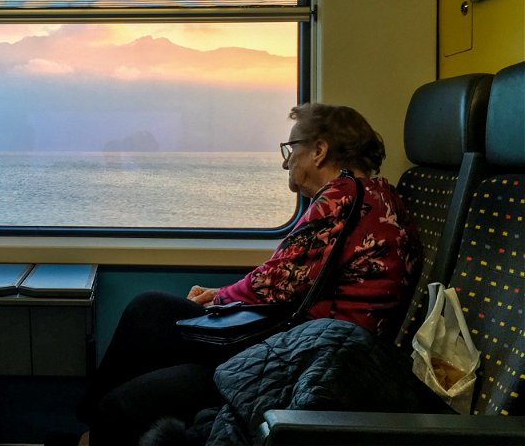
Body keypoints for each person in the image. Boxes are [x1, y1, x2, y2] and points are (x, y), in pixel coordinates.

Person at [55, 103, 422, 446]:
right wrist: (222, 295)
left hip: (306, 357)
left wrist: (219, 297)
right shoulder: (378, 195)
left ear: (320, 150)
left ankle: (93, 429)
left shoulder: (343, 197)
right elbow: (290, 278)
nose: (286, 162)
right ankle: (92, 431)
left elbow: (276, 283)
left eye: (291, 148)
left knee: (123, 398)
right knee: (149, 310)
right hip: (303, 339)